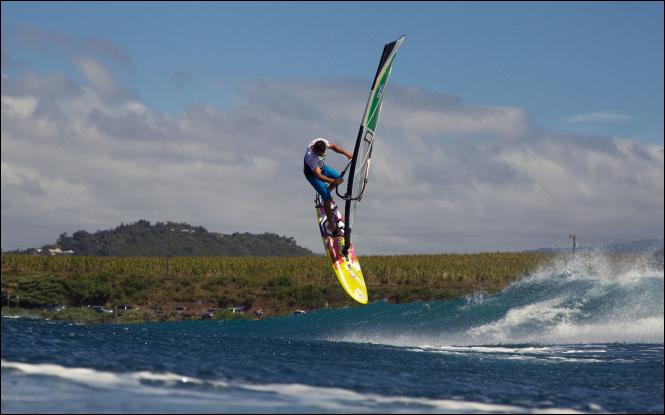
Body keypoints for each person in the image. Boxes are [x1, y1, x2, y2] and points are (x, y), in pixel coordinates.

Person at [304, 138, 353, 236]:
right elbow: (319, 176)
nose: (322, 155)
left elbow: (334, 147)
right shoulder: (311, 158)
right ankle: (330, 224)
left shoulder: (320, 142)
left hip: (322, 168)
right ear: (315, 150)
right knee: (328, 197)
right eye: (320, 154)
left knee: (340, 179)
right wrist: (333, 181)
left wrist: (347, 154)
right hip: (312, 175)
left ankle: (326, 195)